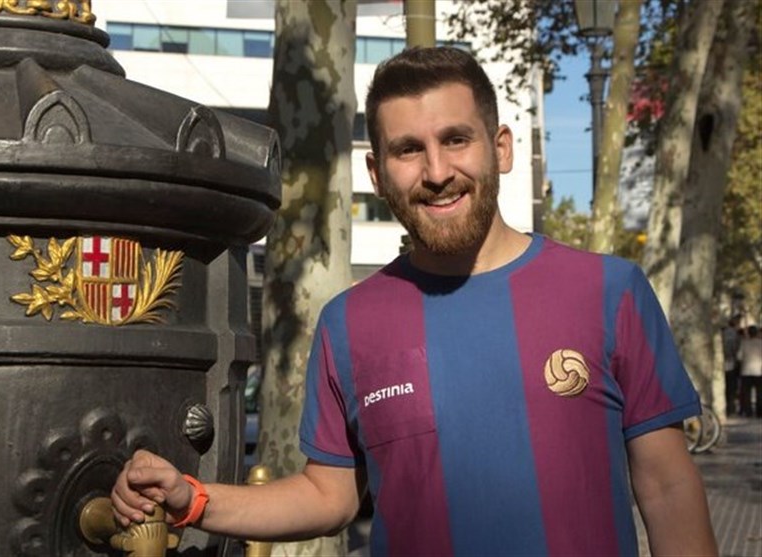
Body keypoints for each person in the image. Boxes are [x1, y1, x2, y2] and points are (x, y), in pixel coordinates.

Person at [112, 47, 717, 556]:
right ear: (377, 174)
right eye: (408, 149)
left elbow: (667, 488)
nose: (437, 171)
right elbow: (328, 496)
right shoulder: (348, 323)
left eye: (456, 140)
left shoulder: (609, 291)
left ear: (501, 148)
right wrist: (192, 498)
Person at [739, 325, 762, 417]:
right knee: (759, 392)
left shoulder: (744, 343)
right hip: (759, 371)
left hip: (746, 371)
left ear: (748, 333)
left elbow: (739, 356)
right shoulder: (761, 343)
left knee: (746, 393)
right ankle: (759, 412)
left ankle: (748, 412)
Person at [722, 315, 742, 415]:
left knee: (726, 387)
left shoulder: (723, 332)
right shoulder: (734, 334)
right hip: (731, 363)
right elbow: (735, 349)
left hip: (723, 364)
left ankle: (726, 408)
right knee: (731, 387)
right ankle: (731, 408)